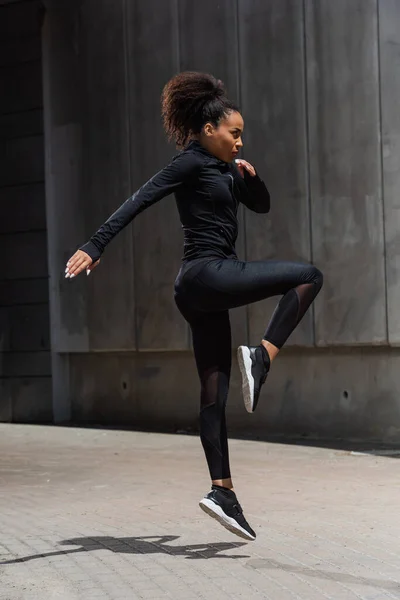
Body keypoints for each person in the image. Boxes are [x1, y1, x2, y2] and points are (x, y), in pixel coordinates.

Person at [65, 71, 323, 541]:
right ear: (209, 130)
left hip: (200, 290)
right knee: (309, 276)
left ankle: (222, 491)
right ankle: (262, 356)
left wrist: (250, 176)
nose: (240, 142)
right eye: (235, 133)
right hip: (206, 273)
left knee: (213, 388)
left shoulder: (227, 167)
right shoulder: (189, 162)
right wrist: (95, 245)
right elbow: (139, 200)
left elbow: (261, 205)